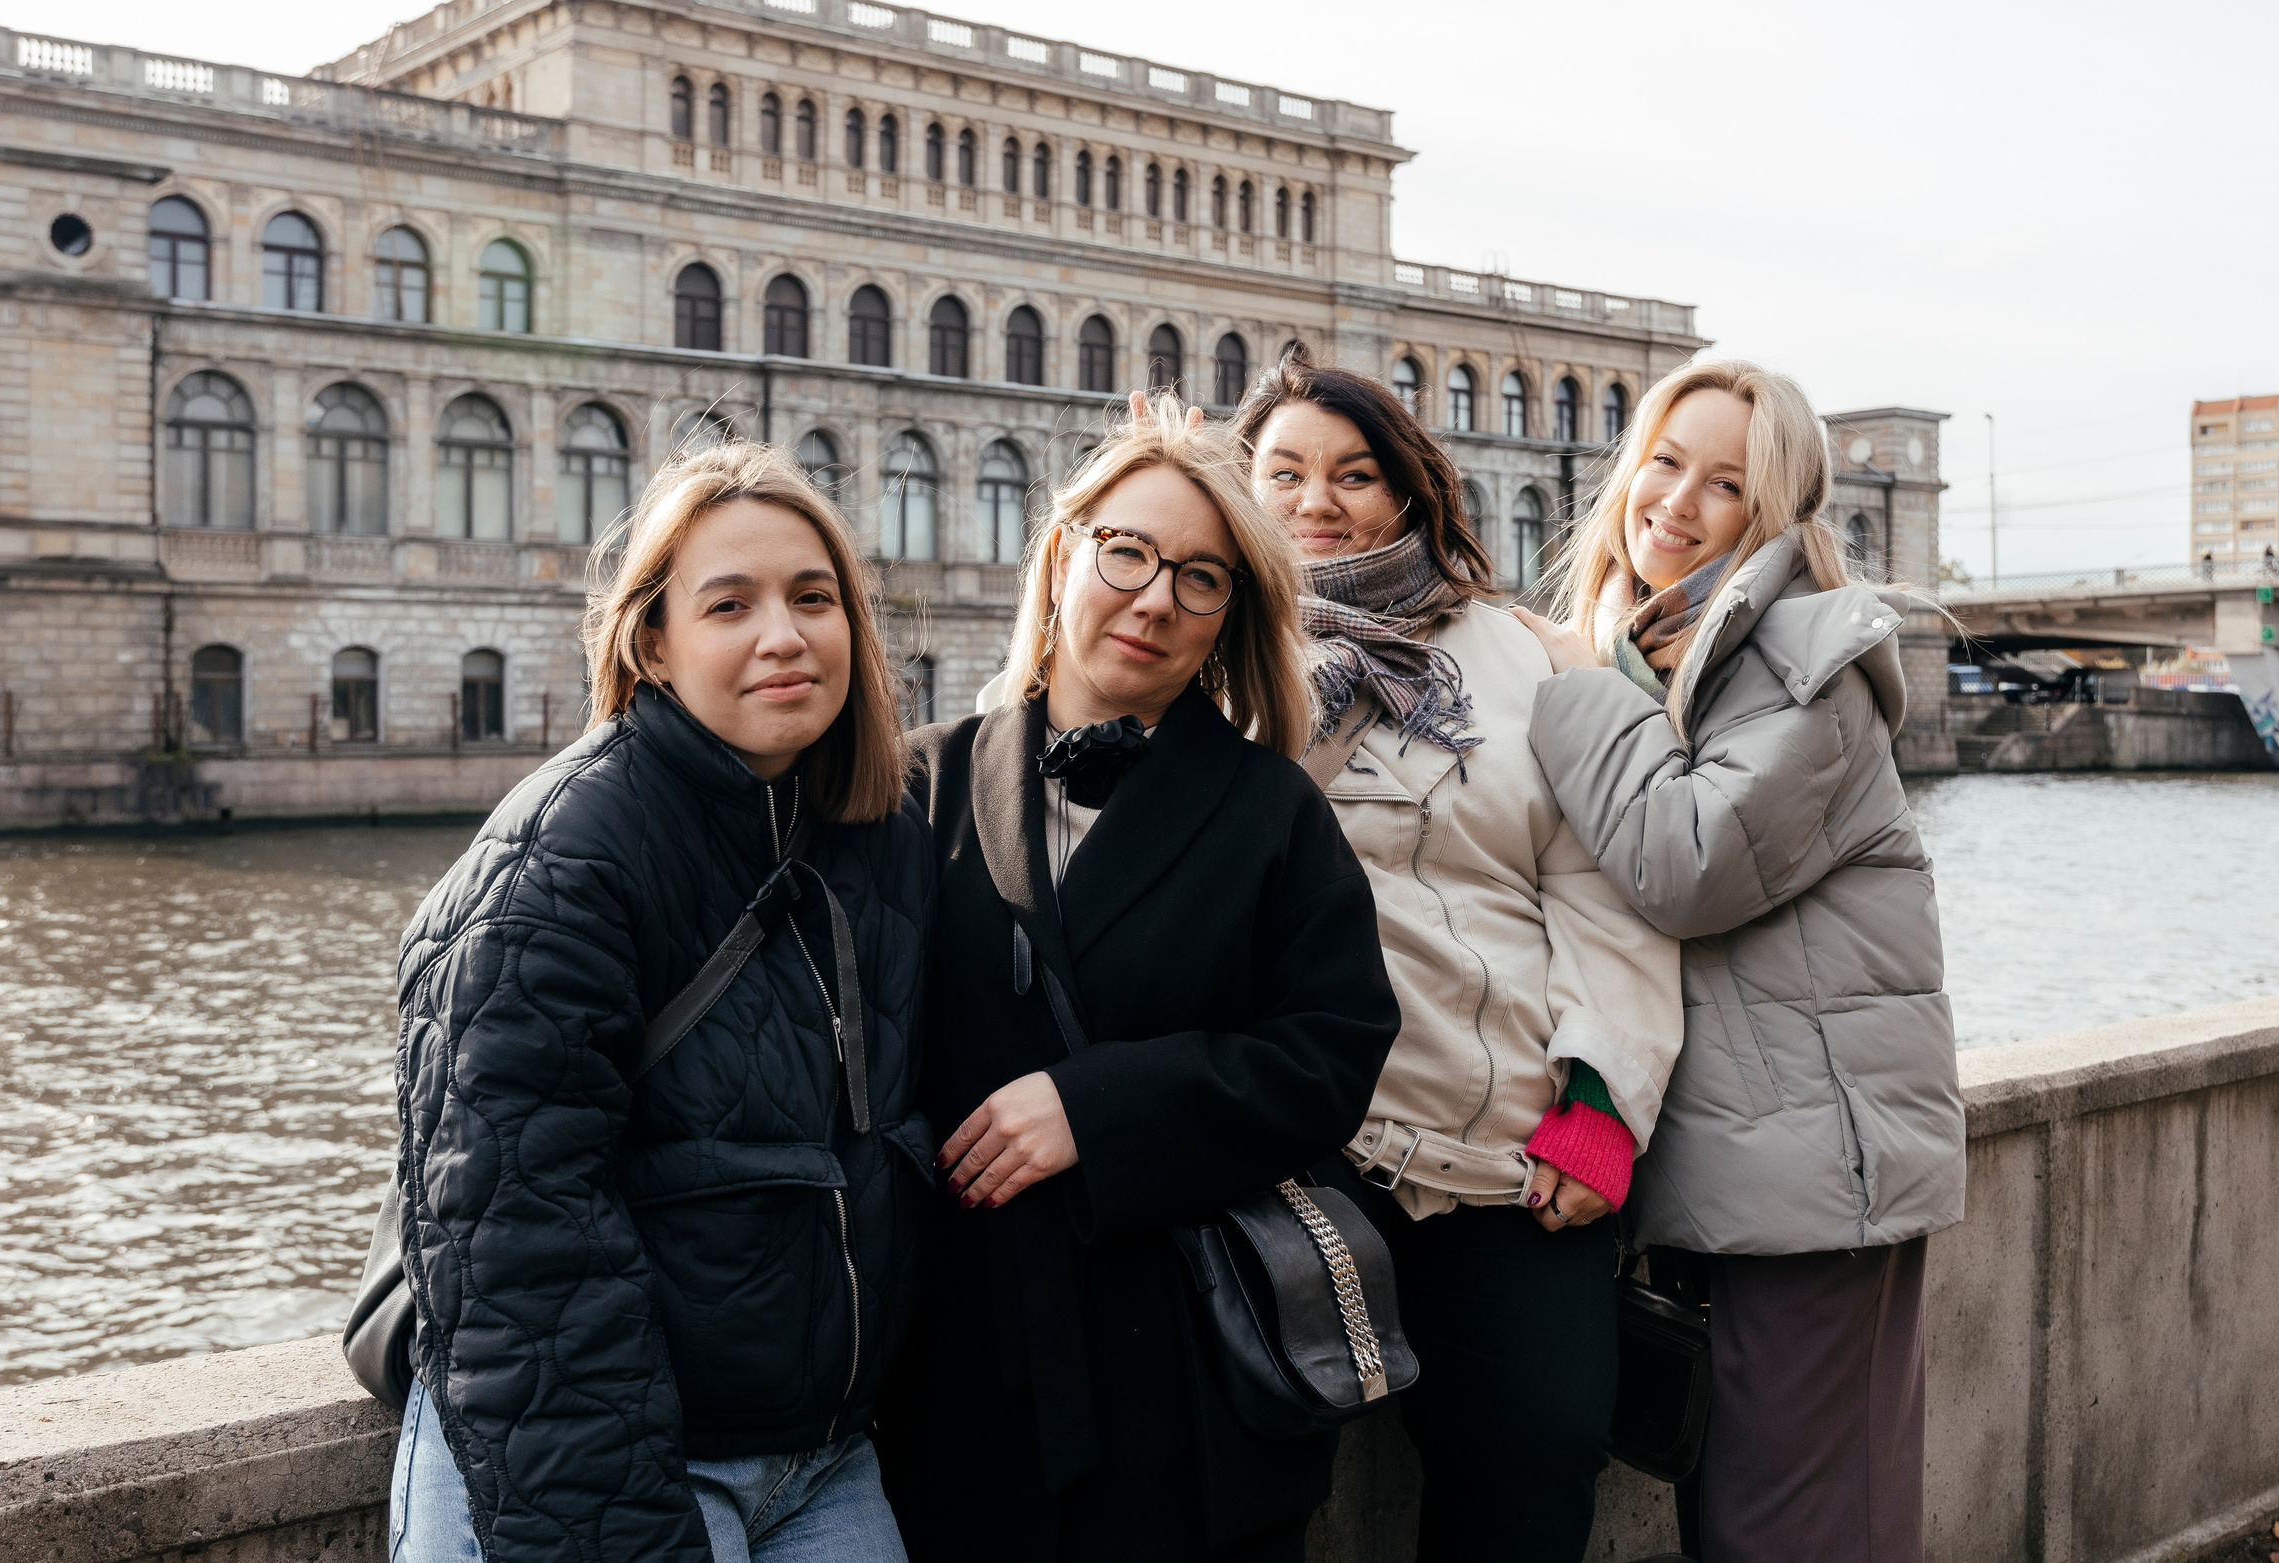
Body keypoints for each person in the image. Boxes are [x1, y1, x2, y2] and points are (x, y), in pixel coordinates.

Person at [390, 442, 931, 1563]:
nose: (782, 634)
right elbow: (516, 1252)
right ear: (652, 643)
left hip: (822, 1454)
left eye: (813, 598)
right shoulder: (562, 863)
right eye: (729, 604)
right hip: (621, 1455)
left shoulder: (879, 837)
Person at [890, 401, 1401, 1563]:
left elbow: (1332, 1058)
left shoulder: (1274, 813)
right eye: (1128, 551)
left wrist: (1098, 1108)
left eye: (1202, 577)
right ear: (1065, 553)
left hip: (1187, 1378)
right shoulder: (917, 784)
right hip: (962, 1364)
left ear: (1229, 618)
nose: (1157, 597)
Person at [1227, 355, 1683, 1562]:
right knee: (1250, 1478)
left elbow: (1605, 894)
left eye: (1352, 473)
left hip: (1497, 1160)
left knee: (1535, 1458)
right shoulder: (1202, 647)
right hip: (1292, 1148)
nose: (1315, 501)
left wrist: (1601, 1103)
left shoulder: (1531, 660)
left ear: (1413, 492)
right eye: (1281, 473)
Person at [1512, 356, 1966, 1563]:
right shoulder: (1671, 657)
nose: (1674, 500)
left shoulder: (1803, 665)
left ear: (1770, 516)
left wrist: (1565, 688)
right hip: (1759, 1166)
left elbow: (1685, 861)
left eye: (1723, 484)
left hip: (1814, 1179)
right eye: (1662, 461)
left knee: (1793, 1531)